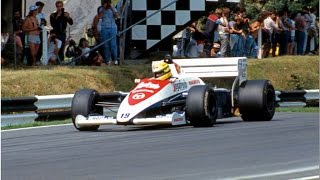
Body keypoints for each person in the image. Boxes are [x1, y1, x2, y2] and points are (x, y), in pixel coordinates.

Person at [99, 0, 119, 65]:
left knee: (113, 45)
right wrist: (104, 9)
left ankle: (115, 59)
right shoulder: (101, 9)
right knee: (106, 45)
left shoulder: (113, 8)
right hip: (104, 28)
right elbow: (100, 17)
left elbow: (116, 16)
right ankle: (107, 60)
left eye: (108, 3)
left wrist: (111, 8)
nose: (107, 4)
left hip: (113, 28)